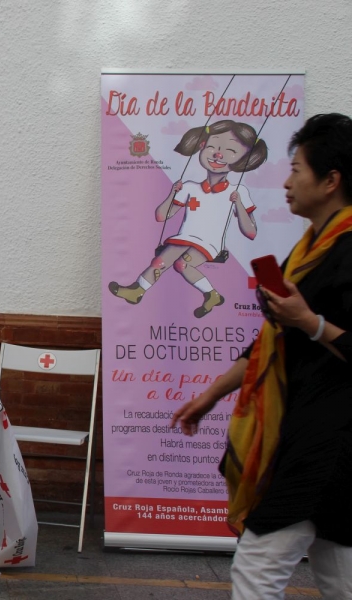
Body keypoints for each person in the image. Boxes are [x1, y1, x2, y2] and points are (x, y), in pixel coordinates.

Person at [170, 113, 352, 599]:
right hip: (302, 426)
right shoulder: (310, 248)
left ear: (331, 180)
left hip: (329, 437)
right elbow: (269, 342)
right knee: (339, 573)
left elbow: (306, 328)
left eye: (297, 169)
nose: (287, 181)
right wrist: (209, 395)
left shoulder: (347, 250)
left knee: (257, 567)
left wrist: (308, 321)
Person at [109, 120, 268, 318]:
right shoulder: (190, 188)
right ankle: (140, 291)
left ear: (244, 159)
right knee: (165, 262)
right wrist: (172, 193)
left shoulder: (238, 191)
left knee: (179, 262)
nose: (218, 155)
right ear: (202, 147)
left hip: (210, 243)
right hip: (185, 237)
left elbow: (251, 232)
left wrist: (238, 205)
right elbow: (161, 216)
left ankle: (208, 294)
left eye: (230, 151)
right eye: (212, 147)